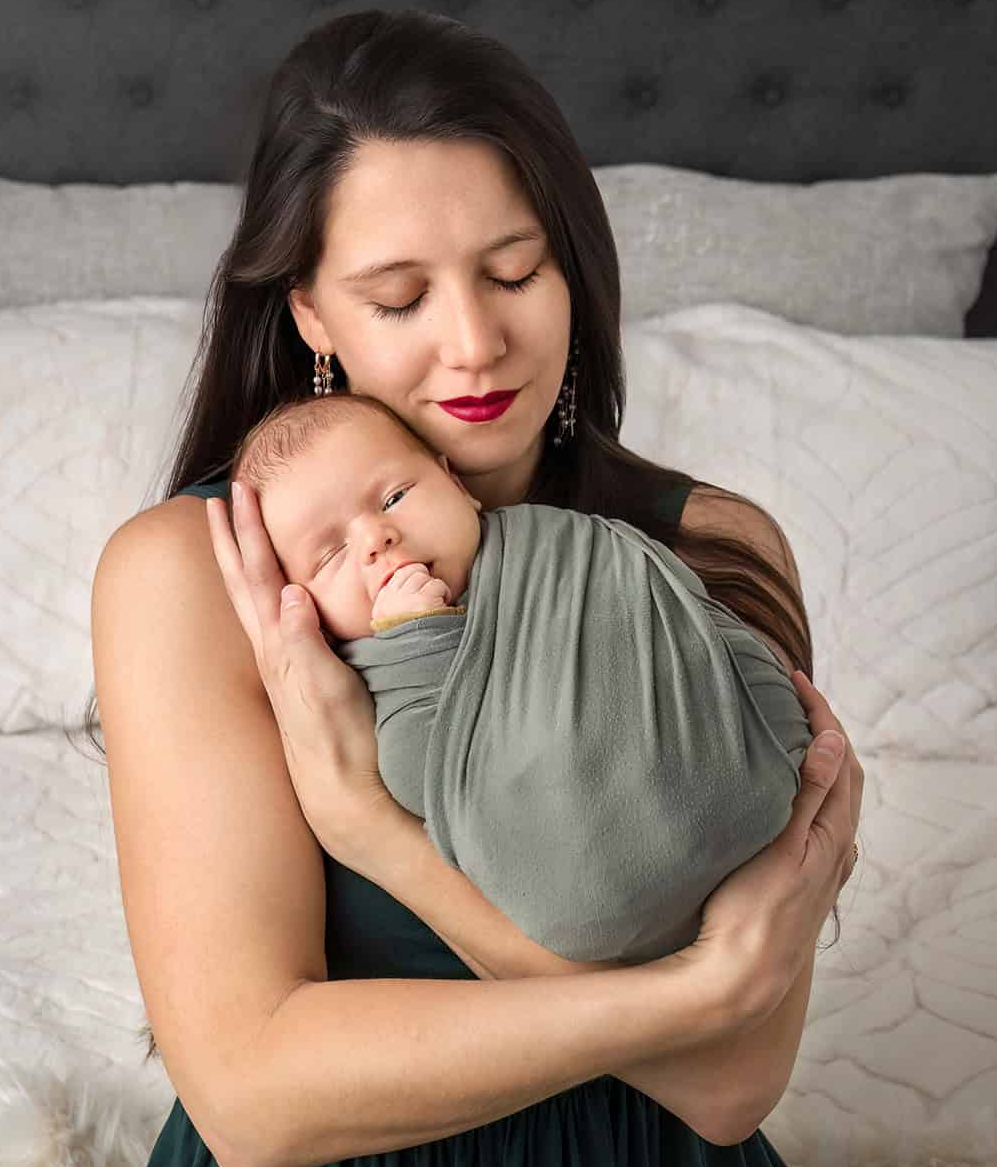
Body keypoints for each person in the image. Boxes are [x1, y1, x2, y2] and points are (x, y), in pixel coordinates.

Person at [83, 8, 864, 1167]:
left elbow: (724, 1089)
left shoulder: (707, 550)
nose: (475, 343)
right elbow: (249, 1101)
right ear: (311, 318)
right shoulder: (194, 575)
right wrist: (685, 997)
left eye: (513, 273)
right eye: (397, 296)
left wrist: (375, 836)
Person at [229, 390, 813, 965]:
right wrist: (418, 639)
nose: (376, 540)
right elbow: (421, 773)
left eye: (396, 496)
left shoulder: (558, 542)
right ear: (300, 605)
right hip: (592, 868)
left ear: (455, 483)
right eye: (330, 555)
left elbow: (654, 601)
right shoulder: (373, 666)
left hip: (742, 752)